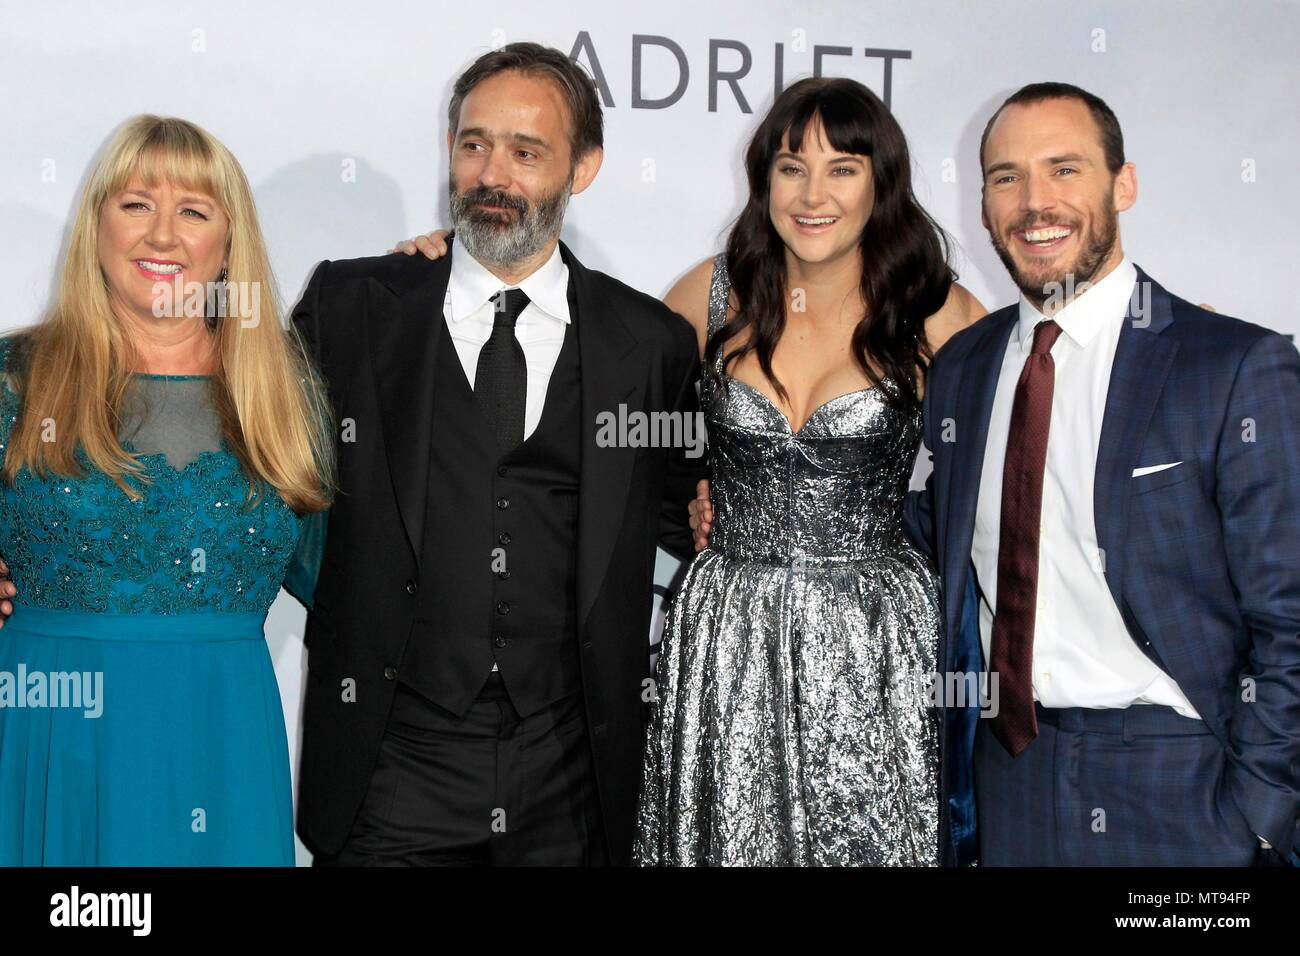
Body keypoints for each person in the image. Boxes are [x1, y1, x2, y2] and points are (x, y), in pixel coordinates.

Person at [401, 75, 984, 865]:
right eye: (789, 166)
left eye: (842, 168)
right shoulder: (711, 295)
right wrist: (442, 265)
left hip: (873, 642)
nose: (813, 193)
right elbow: (592, 394)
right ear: (762, 180)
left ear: (881, 182)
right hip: (726, 635)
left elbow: (1004, 465)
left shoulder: (932, 307)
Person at [294, 42, 704, 866]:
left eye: (526, 152)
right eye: (474, 143)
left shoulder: (649, 343)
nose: (492, 174)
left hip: (572, 774)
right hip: (392, 761)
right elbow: (250, 470)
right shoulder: (356, 306)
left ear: (583, 167)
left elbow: (683, 513)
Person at [904, 82, 1300, 866]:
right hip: (1008, 775)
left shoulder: (1233, 367)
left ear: (1124, 184)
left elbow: (1291, 621)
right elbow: (933, 528)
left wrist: (1256, 818)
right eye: (1007, 177)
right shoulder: (964, 368)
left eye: (1064, 169)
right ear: (982, 207)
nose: (1034, 202)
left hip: (1181, 784)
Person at [0, 115, 333, 865]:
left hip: (221, 751)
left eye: (193, 210)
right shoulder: (11, 380)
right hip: (50, 742)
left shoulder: (285, 396)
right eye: (135, 204)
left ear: (228, 241)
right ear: (96, 227)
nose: (162, 236)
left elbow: (362, 596)